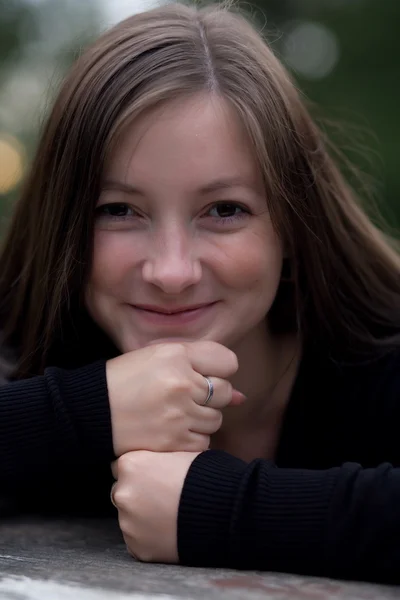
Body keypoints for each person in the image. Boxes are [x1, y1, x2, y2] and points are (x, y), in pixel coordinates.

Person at [1, 0, 400, 585]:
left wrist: (220, 511)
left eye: (223, 210)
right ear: (66, 226)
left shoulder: (378, 357)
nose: (172, 271)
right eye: (119, 211)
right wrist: (87, 411)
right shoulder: (32, 349)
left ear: (292, 224)